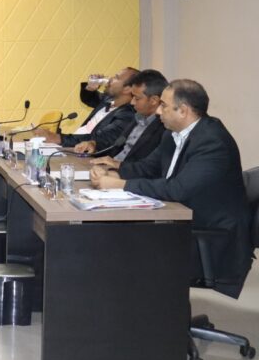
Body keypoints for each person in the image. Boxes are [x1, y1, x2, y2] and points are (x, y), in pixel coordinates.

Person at [91, 79, 253, 296]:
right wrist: (113, 173)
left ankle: (147, 310)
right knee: (108, 236)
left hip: (208, 233)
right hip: (178, 217)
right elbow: (147, 167)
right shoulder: (173, 133)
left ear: (183, 111)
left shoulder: (213, 142)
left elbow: (177, 189)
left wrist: (121, 185)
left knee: (119, 243)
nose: (158, 111)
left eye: (164, 105)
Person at [33, 67, 138, 152]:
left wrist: (58, 138)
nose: (110, 79)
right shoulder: (109, 100)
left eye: (116, 78)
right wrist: (90, 88)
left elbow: (99, 140)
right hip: (71, 146)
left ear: (127, 89)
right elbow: (88, 99)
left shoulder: (127, 115)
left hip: (84, 154)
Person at [79, 69, 167, 162]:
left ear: (153, 100)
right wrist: (94, 144)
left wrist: (118, 167)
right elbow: (116, 148)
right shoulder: (139, 117)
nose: (132, 102)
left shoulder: (163, 129)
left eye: (137, 98)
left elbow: (148, 166)